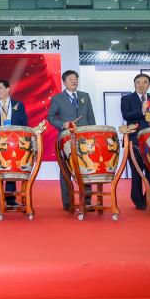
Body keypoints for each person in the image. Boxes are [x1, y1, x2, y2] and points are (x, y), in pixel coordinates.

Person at [48, 69, 96, 209]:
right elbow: (51, 117)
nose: (74, 81)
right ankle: (68, 202)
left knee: (86, 168)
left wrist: (92, 135)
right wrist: (63, 124)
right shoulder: (57, 98)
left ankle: (86, 201)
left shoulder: (85, 96)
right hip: (66, 139)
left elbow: (91, 117)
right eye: (70, 79)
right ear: (64, 82)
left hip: (84, 139)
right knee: (65, 170)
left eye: (76, 79)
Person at [120, 73, 150, 209]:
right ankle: (138, 200)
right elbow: (126, 115)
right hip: (134, 141)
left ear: (149, 85)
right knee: (137, 171)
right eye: (138, 82)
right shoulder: (127, 98)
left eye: (145, 82)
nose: (141, 85)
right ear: (134, 84)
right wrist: (142, 110)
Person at [0, 79, 29, 208]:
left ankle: (10, 199)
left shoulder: (18, 105)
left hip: (14, 143)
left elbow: (24, 123)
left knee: (11, 168)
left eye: (0, 88)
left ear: (8, 89)